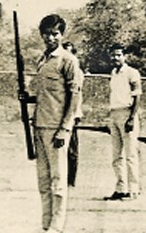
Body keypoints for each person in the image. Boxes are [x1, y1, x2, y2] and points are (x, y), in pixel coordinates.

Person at [20, 14, 81, 233]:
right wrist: (26, 97)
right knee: (43, 180)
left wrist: (65, 128)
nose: (50, 38)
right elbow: (45, 95)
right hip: (39, 125)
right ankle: (45, 224)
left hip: (57, 129)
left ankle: (57, 226)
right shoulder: (42, 60)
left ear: (62, 35)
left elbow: (74, 97)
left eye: (55, 33)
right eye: (46, 33)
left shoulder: (68, 61)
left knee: (58, 180)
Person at [104, 43, 142, 201]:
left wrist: (132, 118)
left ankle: (133, 189)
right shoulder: (113, 72)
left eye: (118, 55)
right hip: (115, 114)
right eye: (113, 55)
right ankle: (121, 189)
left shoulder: (132, 73)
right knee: (116, 155)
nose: (115, 58)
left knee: (131, 154)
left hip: (127, 114)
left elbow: (137, 96)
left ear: (124, 56)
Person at [62, 41, 84, 187]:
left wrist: (74, 115)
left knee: (71, 150)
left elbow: (74, 94)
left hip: (72, 113)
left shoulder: (76, 72)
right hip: (58, 113)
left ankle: (71, 180)